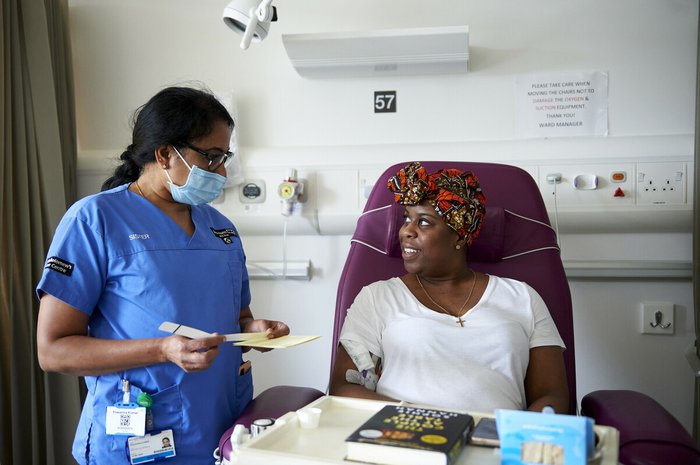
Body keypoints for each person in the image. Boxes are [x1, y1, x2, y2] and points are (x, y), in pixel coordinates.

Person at [36, 86, 289, 464]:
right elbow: (53, 350)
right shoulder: (95, 220)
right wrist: (162, 350)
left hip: (219, 431)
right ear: (165, 153)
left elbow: (236, 319)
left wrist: (253, 332)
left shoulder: (221, 230)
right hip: (137, 437)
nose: (222, 172)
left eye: (226, 157)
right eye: (212, 157)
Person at [329, 161, 569, 414]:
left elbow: (551, 395)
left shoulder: (522, 298)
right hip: (403, 437)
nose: (406, 231)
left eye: (423, 222)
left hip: (498, 443)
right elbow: (345, 388)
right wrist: (426, 422)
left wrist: (524, 440)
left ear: (459, 236)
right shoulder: (377, 298)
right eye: (406, 219)